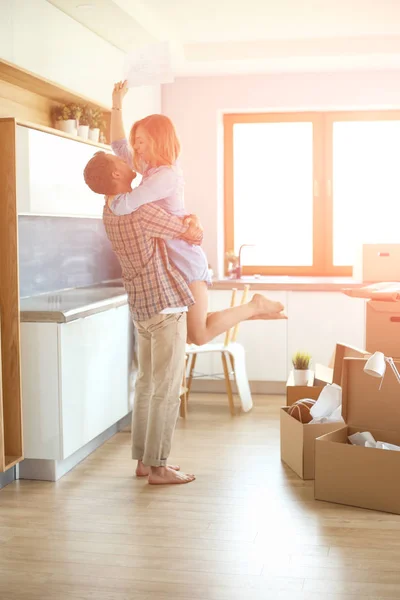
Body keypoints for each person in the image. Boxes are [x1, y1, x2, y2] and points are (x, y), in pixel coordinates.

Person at [106, 80, 287, 347]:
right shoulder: (150, 168)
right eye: (137, 141)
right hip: (173, 263)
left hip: (186, 261)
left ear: (157, 140)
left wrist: (106, 194)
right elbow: (118, 146)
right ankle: (253, 310)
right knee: (194, 332)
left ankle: (254, 306)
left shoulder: (165, 175)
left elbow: (128, 203)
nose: (137, 147)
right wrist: (117, 104)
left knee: (198, 335)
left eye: (142, 141)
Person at [84, 152, 203, 485]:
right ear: (115, 175)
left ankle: (142, 461)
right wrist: (195, 220)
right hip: (164, 305)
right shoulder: (140, 210)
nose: (129, 162)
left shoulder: (109, 211)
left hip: (141, 308)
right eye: (120, 161)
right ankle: (159, 467)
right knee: (166, 389)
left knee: (147, 384)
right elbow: (192, 235)